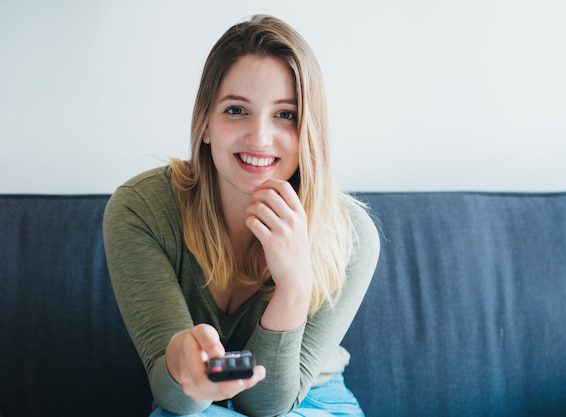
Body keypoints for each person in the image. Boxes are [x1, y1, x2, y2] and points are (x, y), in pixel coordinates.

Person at [103, 14, 380, 417]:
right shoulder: (141, 211)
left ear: (309, 132)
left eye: (285, 115)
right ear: (205, 124)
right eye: (236, 110)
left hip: (310, 399)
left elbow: (270, 404)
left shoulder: (351, 235)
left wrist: (294, 288)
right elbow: (177, 399)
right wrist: (184, 366)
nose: (259, 138)